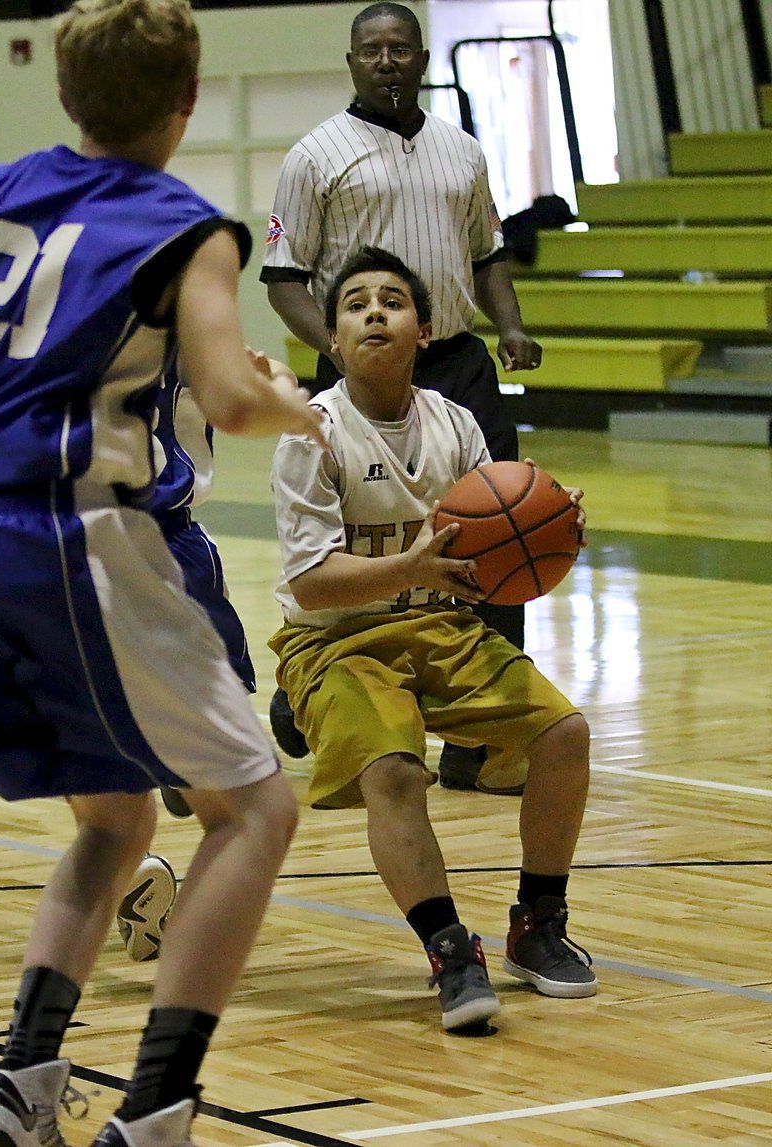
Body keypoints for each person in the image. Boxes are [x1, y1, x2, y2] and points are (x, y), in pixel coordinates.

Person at [0, 1, 322, 1143]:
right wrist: (292, 408)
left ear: (68, 99)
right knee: (257, 808)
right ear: (185, 104)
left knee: (116, 817)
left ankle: (22, 1078)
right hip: (73, 533)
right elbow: (230, 398)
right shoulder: (191, 225)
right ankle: (162, 1101)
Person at [268, 245, 596, 1034]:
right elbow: (311, 582)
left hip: (444, 627)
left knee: (565, 735)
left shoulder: (457, 423)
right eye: (354, 304)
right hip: (337, 642)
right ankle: (450, 947)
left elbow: (497, 541)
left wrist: (549, 518)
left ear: (424, 330)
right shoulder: (310, 434)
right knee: (394, 770)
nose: (374, 311)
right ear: (334, 341)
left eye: (392, 300)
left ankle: (538, 923)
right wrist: (409, 565)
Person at [260, 0, 542, 792]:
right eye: (370, 50)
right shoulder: (316, 155)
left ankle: (483, 737)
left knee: (501, 527)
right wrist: (341, 347)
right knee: (356, 539)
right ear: (351, 61)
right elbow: (284, 277)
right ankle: (314, 683)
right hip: (358, 367)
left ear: (422, 60)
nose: (385, 61)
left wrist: (512, 325)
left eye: (399, 49)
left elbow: (487, 255)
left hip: (455, 362)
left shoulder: (462, 152)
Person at [0, 342, 242, 963]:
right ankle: (133, 884)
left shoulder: (181, 301)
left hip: (165, 551)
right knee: (89, 774)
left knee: (229, 792)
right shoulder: (38, 298)